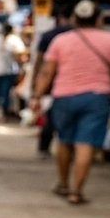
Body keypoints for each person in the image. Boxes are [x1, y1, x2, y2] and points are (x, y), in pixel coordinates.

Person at [32, 0, 110, 205]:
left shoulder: (61, 40)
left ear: (75, 18)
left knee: (65, 141)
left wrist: (36, 96)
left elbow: (47, 72)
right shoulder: (108, 40)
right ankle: (76, 192)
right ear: (98, 18)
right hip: (97, 97)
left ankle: (63, 184)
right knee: (85, 144)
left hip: (64, 96)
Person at [33, 10, 72, 156]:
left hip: (56, 83)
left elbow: (41, 62)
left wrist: (36, 86)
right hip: (77, 85)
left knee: (51, 114)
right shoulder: (84, 36)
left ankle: (45, 145)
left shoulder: (49, 36)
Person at [0, 22, 26, 121]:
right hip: (7, 71)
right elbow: (19, 55)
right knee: (4, 93)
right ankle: (3, 113)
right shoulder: (14, 40)